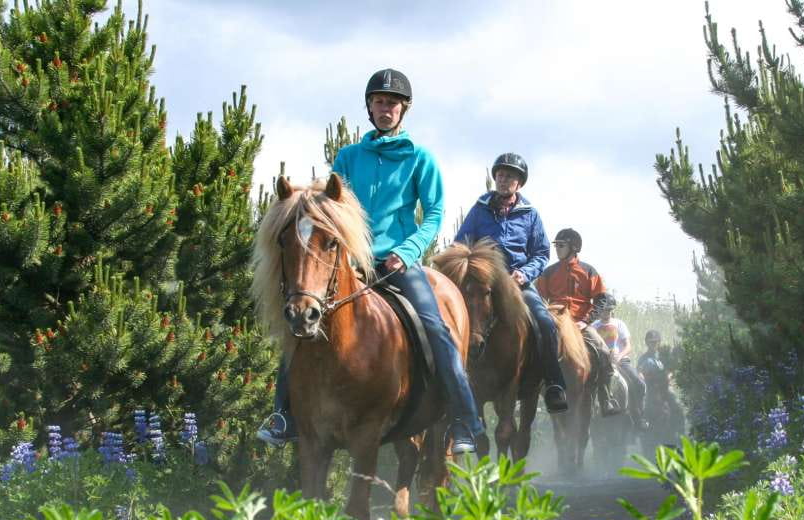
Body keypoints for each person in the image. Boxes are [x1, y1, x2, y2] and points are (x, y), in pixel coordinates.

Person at [259, 68, 483, 455]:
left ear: (403, 110)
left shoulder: (420, 159)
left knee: (435, 326)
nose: (386, 108)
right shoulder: (348, 157)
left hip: (400, 263)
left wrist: (408, 252)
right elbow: (329, 208)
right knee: (300, 323)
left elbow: (433, 214)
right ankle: (285, 415)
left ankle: (465, 418)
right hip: (350, 264)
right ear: (369, 107)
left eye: (393, 103)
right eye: (379, 101)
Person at [454, 153, 567, 413]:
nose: (504, 180)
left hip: (518, 283)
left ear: (519, 183)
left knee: (546, 322)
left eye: (510, 177)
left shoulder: (530, 215)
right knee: (449, 317)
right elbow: (461, 243)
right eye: (501, 175)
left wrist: (524, 274)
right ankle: (447, 387)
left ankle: (553, 384)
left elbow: (540, 253)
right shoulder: (479, 209)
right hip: (483, 282)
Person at [535, 228, 619, 415]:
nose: (557, 249)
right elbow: (538, 297)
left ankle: (606, 398)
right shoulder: (548, 272)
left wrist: (587, 321)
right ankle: (526, 395)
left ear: (573, 247)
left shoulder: (589, 271)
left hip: (580, 324)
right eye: (556, 246)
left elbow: (601, 299)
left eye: (561, 246)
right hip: (554, 323)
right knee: (529, 346)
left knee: (604, 353)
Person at [590, 294, 646, 424]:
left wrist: (619, 356)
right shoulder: (593, 326)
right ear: (599, 310)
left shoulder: (619, 324)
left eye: (610, 309)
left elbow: (628, 345)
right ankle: (585, 416)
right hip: (600, 363)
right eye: (604, 309)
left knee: (639, 384)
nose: (607, 312)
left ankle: (638, 417)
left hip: (620, 361)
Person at [638, 329, 683, 425]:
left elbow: (671, 369)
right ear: (647, 343)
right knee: (643, 402)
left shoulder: (663, 356)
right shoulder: (643, 358)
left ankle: (680, 426)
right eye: (651, 342)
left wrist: (669, 376)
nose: (653, 344)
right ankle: (643, 421)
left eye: (655, 342)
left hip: (665, 385)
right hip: (650, 386)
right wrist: (641, 376)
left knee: (676, 401)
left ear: (659, 342)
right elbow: (639, 371)